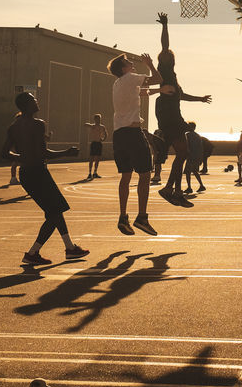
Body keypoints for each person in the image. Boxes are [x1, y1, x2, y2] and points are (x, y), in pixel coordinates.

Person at [0, 92, 89, 265]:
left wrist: (22, 158)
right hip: (38, 173)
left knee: (55, 212)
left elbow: (4, 153)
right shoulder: (38, 124)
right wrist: (67, 153)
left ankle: (67, 248)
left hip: (26, 174)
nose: (37, 101)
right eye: (34, 100)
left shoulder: (14, 126)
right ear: (27, 105)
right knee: (55, 212)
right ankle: (38, 252)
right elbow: (43, 153)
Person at [154, 14, 212, 205]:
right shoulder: (164, 70)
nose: (170, 55)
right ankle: (171, 188)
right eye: (168, 55)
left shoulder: (173, 78)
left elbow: (183, 95)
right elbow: (164, 45)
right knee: (183, 152)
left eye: (171, 55)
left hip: (172, 116)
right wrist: (165, 25)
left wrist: (200, 99)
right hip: (169, 117)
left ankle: (175, 190)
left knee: (183, 154)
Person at [110, 52, 163, 236]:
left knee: (126, 176)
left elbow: (143, 92)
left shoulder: (118, 83)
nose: (132, 63)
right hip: (133, 133)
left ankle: (123, 217)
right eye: (128, 62)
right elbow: (157, 78)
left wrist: (159, 92)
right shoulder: (131, 78)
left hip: (119, 135)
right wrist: (150, 65)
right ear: (123, 68)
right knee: (145, 175)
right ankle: (142, 217)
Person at [183, 122, 206, 194]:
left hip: (190, 156)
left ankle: (189, 187)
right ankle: (201, 185)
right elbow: (201, 148)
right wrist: (200, 158)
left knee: (188, 172)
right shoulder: (197, 136)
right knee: (195, 171)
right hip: (196, 156)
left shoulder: (187, 135)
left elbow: (186, 145)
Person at [84, 114, 107, 179]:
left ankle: (95, 172)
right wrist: (91, 125)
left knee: (97, 159)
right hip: (94, 143)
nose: (98, 120)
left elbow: (106, 134)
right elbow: (85, 124)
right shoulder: (93, 126)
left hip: (99, 143)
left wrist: (103, 139)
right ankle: (89, 173)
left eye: (99, 119)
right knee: (91, 158)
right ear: (95, 119)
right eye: (97, 119)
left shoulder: (102, 127)